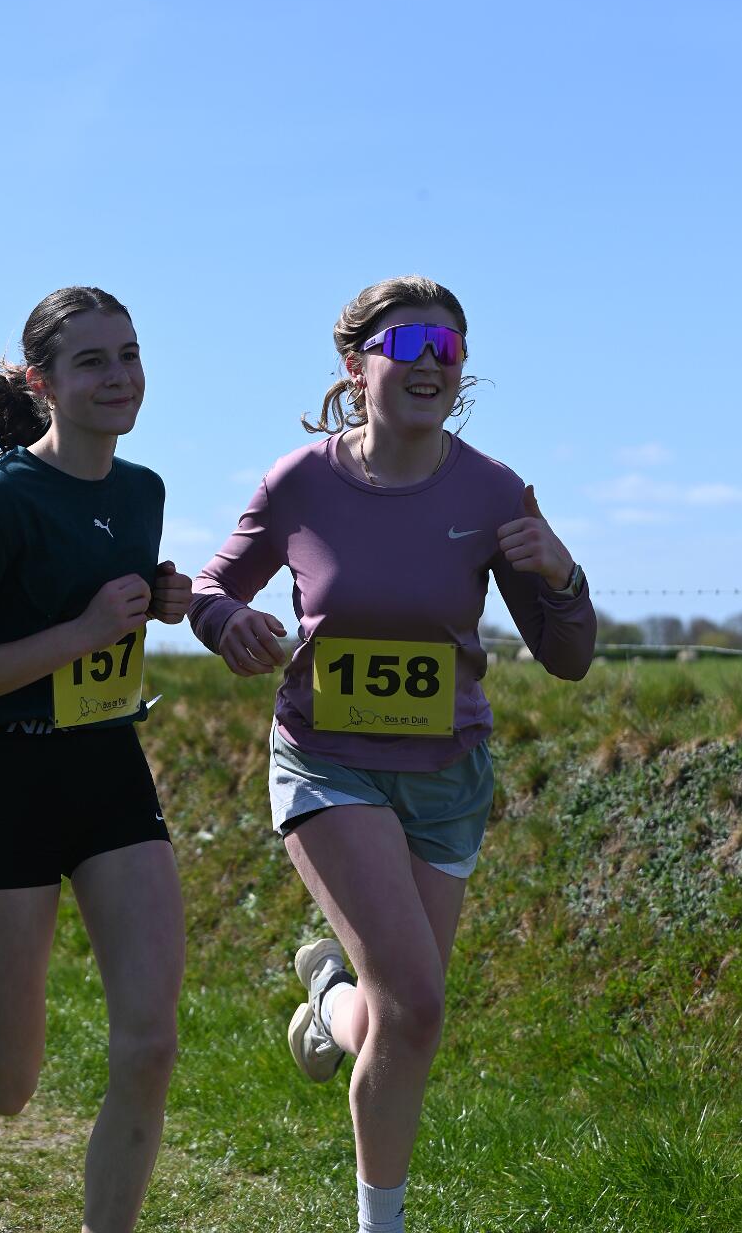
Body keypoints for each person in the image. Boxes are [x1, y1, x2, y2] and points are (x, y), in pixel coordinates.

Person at [189, 274, 596, 1233]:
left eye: (448, 348)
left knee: (392, 1019)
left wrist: (562, 571)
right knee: (416, 1003)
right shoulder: (300, 481)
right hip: (327, 762)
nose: (431, 365)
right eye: (409, 344)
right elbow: (211, 588)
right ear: (355, 366)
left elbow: (568, 658)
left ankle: (328, 994)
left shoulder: (492, 490)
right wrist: (227, 622)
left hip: (447, 778)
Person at [0, 287, 192, 1233]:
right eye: (92, 362)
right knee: (7, 1084)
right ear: (42, 382)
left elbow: (99, 609)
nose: (120, 377)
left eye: (129, 354)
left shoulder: (141, 491)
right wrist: (83, 630)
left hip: (108, 771)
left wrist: (159, 600)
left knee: (150, 1045)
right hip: (3, 786)